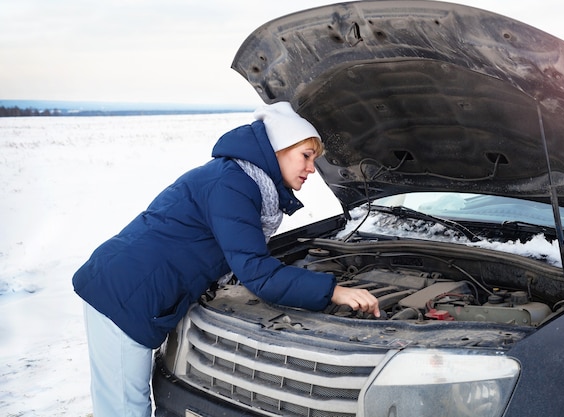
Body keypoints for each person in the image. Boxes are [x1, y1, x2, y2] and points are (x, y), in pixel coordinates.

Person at [72, 101, 380, 417]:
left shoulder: (240, 179)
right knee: (125, 409)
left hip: (135, 287)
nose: (312, 168)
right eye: (305, 155)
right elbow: (257, 272)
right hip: (124, 293)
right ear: (278, 148)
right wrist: (334, 291)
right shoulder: (232, 184)